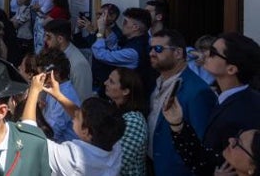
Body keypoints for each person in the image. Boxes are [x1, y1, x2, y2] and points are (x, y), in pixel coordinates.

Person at [162, 33, 260, 174]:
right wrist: (178, 125)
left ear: (231, 69)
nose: (206, 53)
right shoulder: (229, 97)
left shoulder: (246, 110)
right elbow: (205, 157)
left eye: (213, 52)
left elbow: (238, 163)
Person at [22, 71, 125, 175]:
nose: (74, 114)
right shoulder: (114, 145)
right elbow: (84, 117)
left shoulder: (76, 159)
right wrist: (58, 95)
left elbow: (30, 137)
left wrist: (33, 92)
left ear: (86, 132)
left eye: (78, 116)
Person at [148, 29, 216, 176]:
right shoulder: (158, 82)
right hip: (154, 165)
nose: (152, 53)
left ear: (178, 53)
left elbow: (201, 142)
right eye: (151, 48)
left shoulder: (198, 91)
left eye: (158, 49)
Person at [104, 67, 148, 176]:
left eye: (111, 82)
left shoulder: (134, 122)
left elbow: (117, 162)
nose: (105, 83)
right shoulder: (112, 109)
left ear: (125, 91)